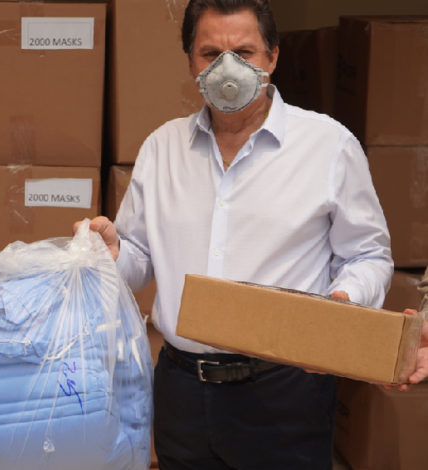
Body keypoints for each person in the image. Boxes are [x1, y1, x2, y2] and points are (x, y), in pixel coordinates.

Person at [76, 1, 393, 469]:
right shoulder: (162, 148)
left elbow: (368, 254)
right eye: (210, 54)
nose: (228, 69)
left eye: (244, 52)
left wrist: (343, 302)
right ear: (191, 62)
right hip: (182, 390)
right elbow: (141, 257)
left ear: (272, 57)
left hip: (285, 392)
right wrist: (114, 253)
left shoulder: (328, 146)